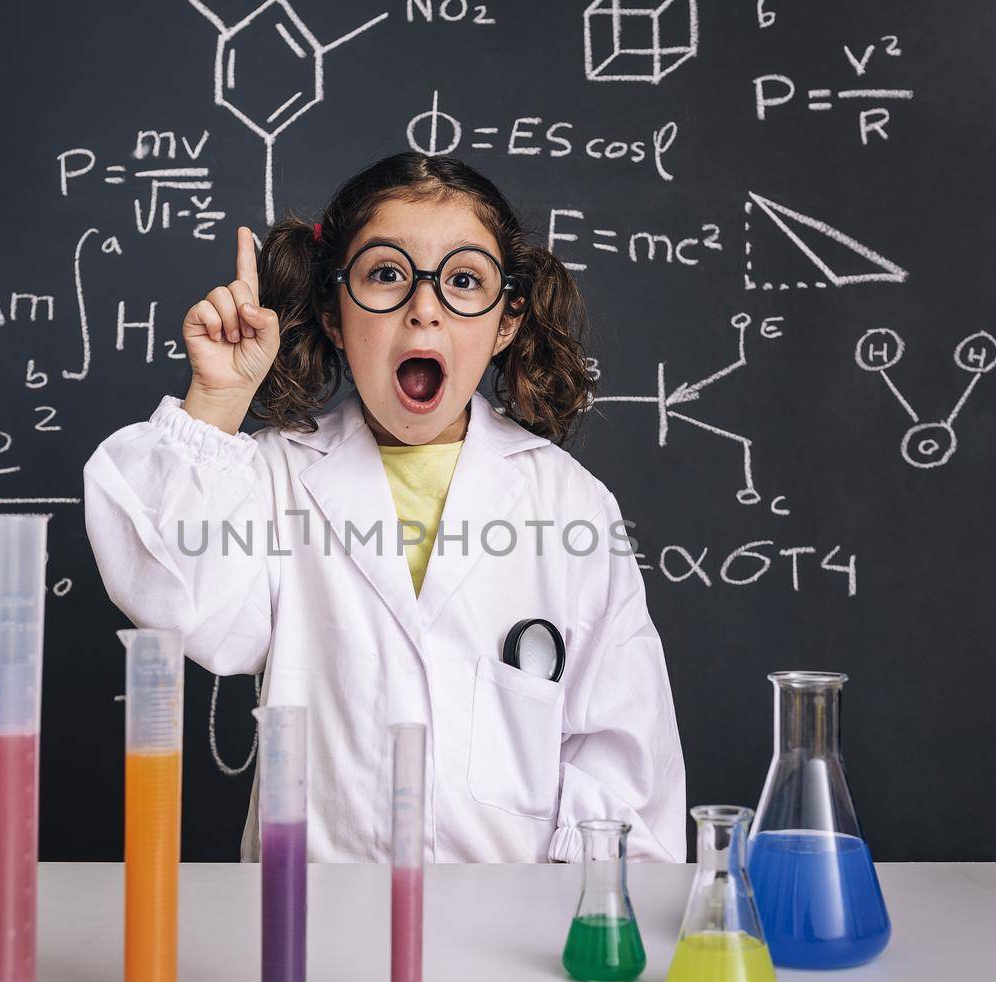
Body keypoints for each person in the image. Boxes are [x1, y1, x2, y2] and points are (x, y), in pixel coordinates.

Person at [84, 152, 685, 863]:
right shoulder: (275, 479)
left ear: (505, 321)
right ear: (337, 316)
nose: (423, 306)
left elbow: (625, 769)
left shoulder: (571, 507)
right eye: (387, 275)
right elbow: (176, 600)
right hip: (307, 930)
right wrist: (216, 402)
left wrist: (557, 912)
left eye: (464, 280)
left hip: (507, 938)